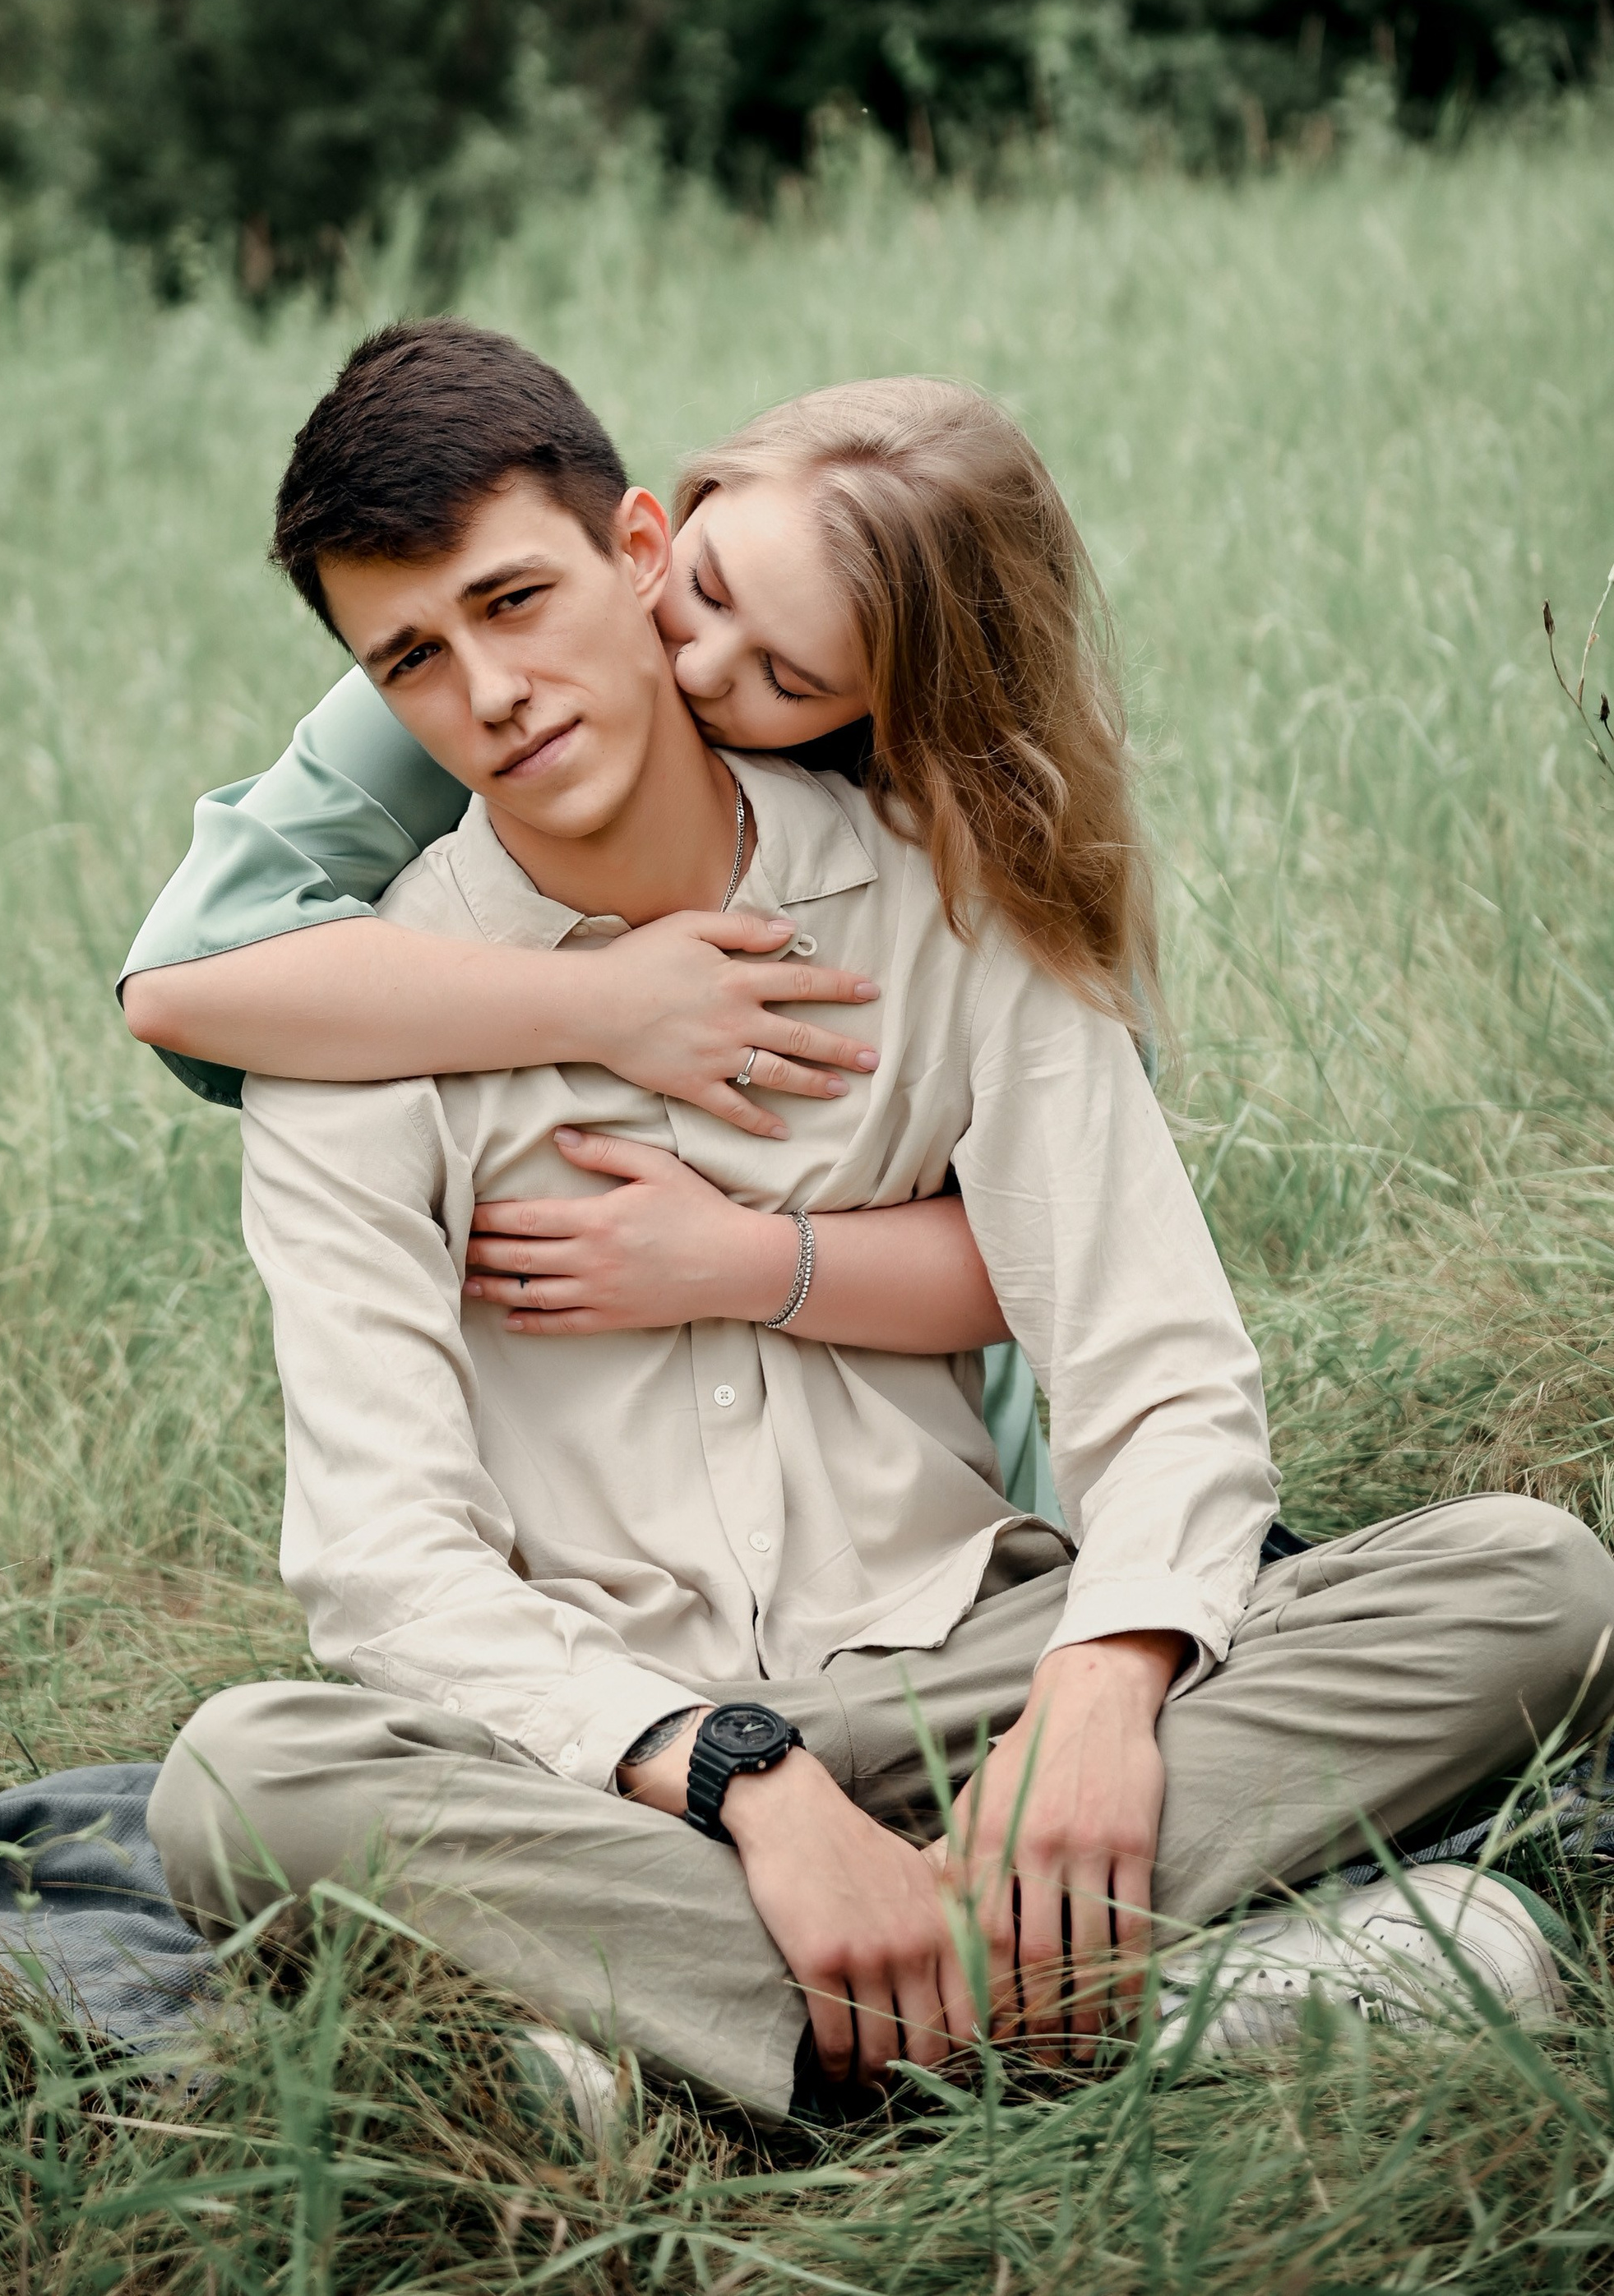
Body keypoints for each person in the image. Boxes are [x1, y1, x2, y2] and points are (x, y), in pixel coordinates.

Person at [132, 323, 1614, 2122]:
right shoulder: (350, 1031)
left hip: (972, 1665)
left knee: (1533, 1581)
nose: (493, 692)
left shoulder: (949, 907)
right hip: (615, 1745)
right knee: (240, 1782)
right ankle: (1156, 1998)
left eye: (517, 600)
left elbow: (1156, 1375)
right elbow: (385, 1566)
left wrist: (1100, 1688)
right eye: (414, 659)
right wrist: (737, 1777)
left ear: (637, 554)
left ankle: (715, 2053)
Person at [119, 372, 1128, 1513]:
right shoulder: (481, 656)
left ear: (889, 708)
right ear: (661, 532)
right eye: (707, 589)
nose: (695, 667)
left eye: (787, 678)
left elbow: (1078, 1248)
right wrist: (609, 1004)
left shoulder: (974, 863)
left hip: (940, 1509)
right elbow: (181, 982)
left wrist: (749, 1261)